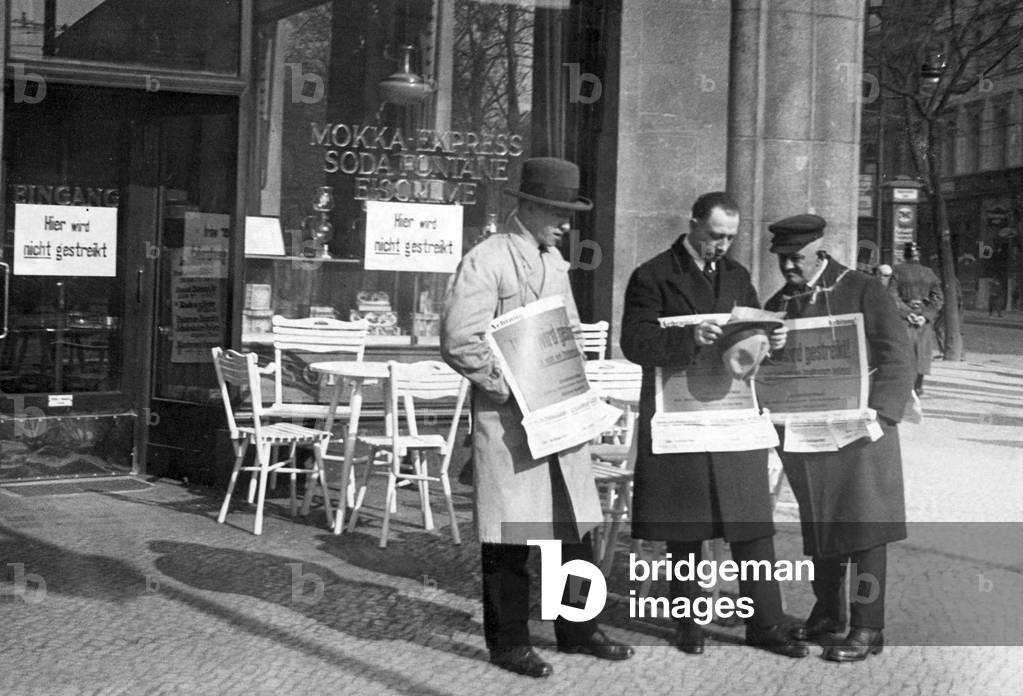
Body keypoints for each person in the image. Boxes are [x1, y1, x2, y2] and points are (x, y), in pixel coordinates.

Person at [441, 157, 633, 679]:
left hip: (558, 416)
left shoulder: (554, 263)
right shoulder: (487, 260)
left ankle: (579, 626)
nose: (566, 222)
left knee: (573, 526)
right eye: (556, 210)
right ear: (525, 206)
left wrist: (575, 385)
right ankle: (508, 642)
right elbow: (460, 339)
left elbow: (566, 331)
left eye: (569, 211)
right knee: (511, 534)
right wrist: (509, 387)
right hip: (508, 423)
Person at [620, 191, 808, 659]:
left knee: (750, 522)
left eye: (729, 238)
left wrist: (773, 337)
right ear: (693, 224)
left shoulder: (737, 275)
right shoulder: (653, 275)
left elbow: (752, 335)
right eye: (714, 235)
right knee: (685, 530)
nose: (721, 246)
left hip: (731, 414)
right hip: (679, 414)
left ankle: (765, 622)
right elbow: (634, 341)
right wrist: (687, 336)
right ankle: (687, 622)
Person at [764, 214, 914, 662]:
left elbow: (897, 355)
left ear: (819, 252)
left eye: (796, 259)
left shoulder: (864, 289)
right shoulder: (779, 304)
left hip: (863, 430)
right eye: (782, 260)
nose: (789, 268)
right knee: (820, 524)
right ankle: (828, 613)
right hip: (808, 433)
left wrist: (882, 414)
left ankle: (869, 627)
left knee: (867, 528)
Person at [888, 242, 943, 395]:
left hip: (905, 319)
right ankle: (918, 386)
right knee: (922, 352)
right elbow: (938, 299)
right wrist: (925, 316)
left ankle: (904, 385)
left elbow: (892, 295)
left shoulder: (897, 271)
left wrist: (906, 313)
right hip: (922, 319)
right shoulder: (929, 273)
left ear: (905, 255)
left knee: (903, 350)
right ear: (919, 256)